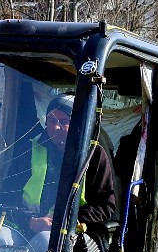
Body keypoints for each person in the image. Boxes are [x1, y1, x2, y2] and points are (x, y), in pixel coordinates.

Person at [26, 94, 117, 238]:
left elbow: (105, 206)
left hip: (73, 233)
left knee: (44, 240)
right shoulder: (31, 148)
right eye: (51, 121)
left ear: (77, 124)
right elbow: (9, 194)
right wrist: (30, 220)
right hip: (29, 225)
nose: (56, 127)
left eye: (63, 121)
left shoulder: (94, 154)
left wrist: (67, 219)